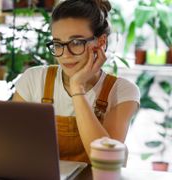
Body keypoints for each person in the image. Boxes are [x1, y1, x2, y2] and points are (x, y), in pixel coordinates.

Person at [12, 0, 140, 163]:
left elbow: (106, 160)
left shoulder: (122, 91)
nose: (65, 54)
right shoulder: (34, 79)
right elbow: (14, 146)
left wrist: (77, 87)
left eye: (76, 42)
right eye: (58, 44)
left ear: (101, 42)